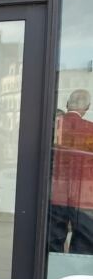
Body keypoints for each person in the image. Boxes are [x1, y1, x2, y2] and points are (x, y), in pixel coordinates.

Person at [49, 89, 93, 253]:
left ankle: (53, 269)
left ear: (67, 104)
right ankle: (74, 274)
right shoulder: (91, 129)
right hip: (84, 194)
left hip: (57, 191)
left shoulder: (55, 126)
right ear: (87, 107)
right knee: (84, 240)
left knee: (53, 236)